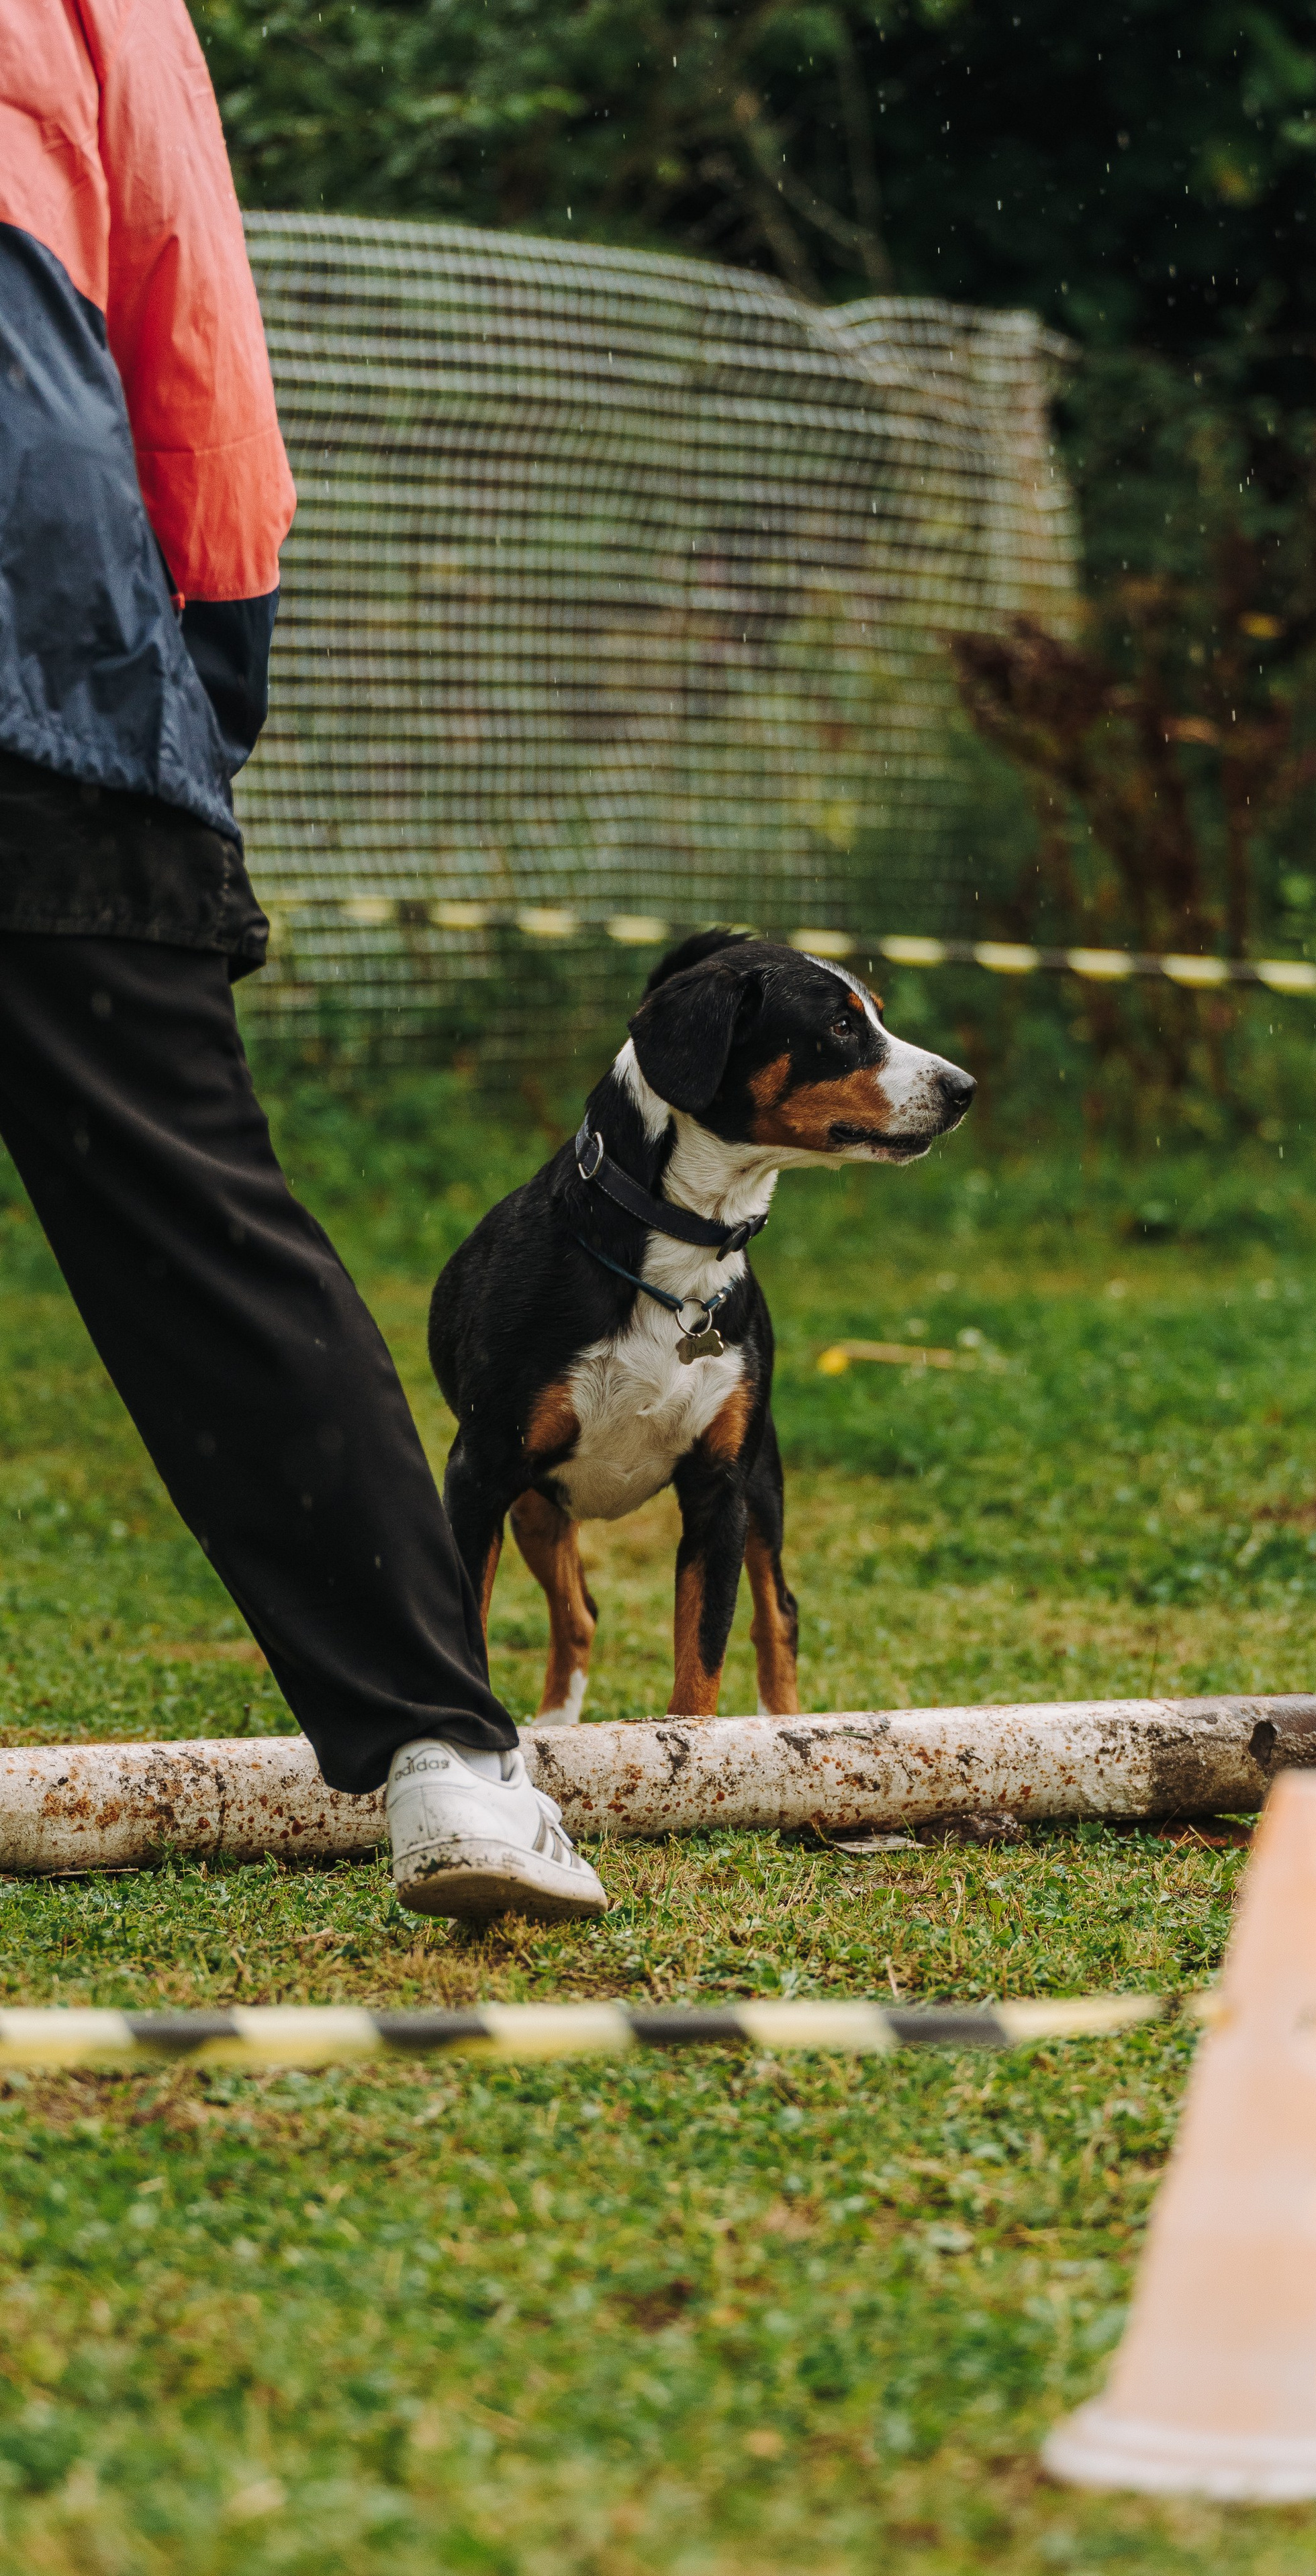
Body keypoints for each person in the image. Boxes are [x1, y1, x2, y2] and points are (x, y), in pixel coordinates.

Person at [0, 0, 606, 1923]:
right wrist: (205, 668)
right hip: (41, 643)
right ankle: (450, 1768)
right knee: (194, 1230)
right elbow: (190, 326)